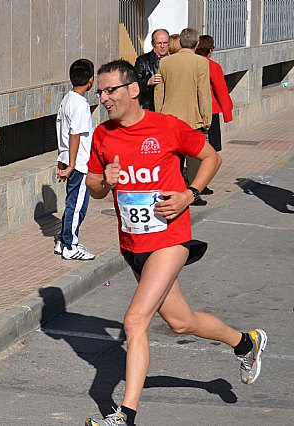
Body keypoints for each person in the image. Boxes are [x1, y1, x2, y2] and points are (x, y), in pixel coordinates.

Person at [83, 60, 266, 426]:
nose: (104, 98)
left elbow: (211, 156)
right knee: (181, 322)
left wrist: (189, 193)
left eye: (110, 91)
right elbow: (94, 186)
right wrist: (106, 179)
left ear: (133, 89)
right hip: (132, 245)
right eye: (100, 92)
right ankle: (246, 343)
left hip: (170, 238)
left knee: (135, 322)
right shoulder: (103, 135)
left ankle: (126, 417)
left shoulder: (166, 127)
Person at [155, 27, 212, 206]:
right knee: (194, 158)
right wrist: (206, 117)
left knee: (173, 159)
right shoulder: (201, 63)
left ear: (179, 43)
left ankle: (172, 189)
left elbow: (159, 92)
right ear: (196, 44)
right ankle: (193, 193)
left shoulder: (166, 62)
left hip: (168, 117)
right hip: (191, 117)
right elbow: (203, 92)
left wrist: (158, 116)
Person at [53, 59, 96, 260]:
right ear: (91, 80)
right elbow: (74, 134)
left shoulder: (67, 100)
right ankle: (70, 246)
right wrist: (71, 164)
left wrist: (62, 159)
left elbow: (62, 131)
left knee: (72, 202)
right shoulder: (80, 104)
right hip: (79, 163)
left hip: (70, 159)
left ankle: (63, 241)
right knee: (77, 205)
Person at [196, 34, 234, 195]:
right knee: (210, 150)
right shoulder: (213, 66)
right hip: (210, 112)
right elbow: (221, 91)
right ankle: (202, 184)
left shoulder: (193, 64)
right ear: (210, 50)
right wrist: (227, 113)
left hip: (192, 111)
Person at [134, 29, 170, 111]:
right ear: (153, 44)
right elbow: (134, 84)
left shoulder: (174, 60)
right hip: (151, 106)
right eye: (159, 43)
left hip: (170, 106)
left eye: (165, 43)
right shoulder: (142, 61)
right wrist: (148, 82)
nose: (162, 46)